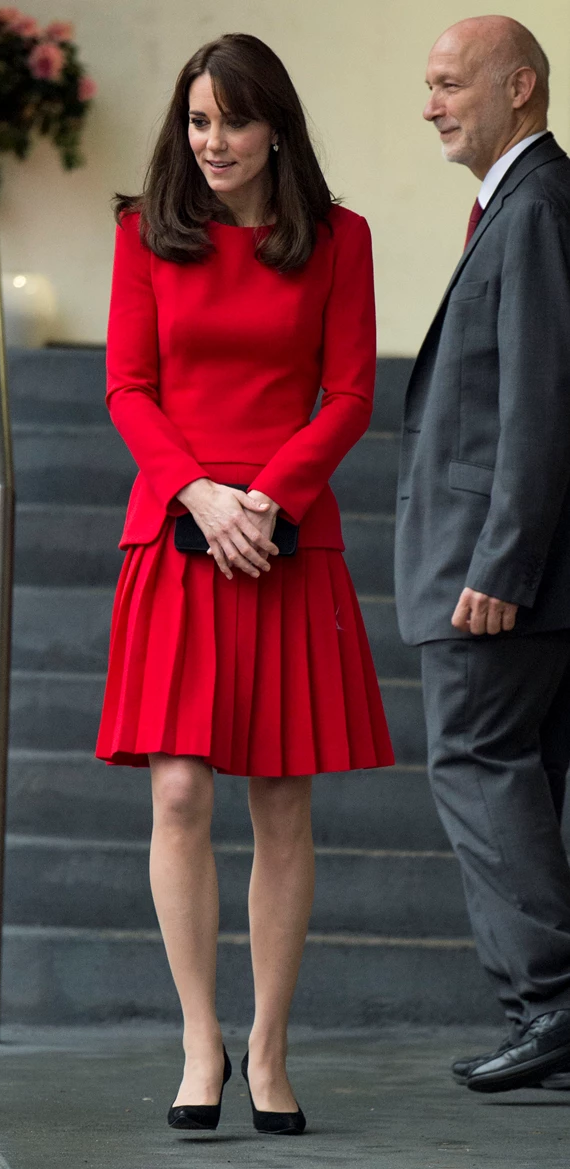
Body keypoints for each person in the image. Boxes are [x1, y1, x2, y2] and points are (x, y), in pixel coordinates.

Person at [96, 32, 393, 1135]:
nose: (211, 141)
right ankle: (197, 1040)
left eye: (232, 120)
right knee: (177, 788)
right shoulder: (142, 234)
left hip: (286, 537)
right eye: (196, 120)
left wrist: (264, 498)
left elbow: (349, 393)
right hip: (176, 536)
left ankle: (266, 1045)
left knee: (280, 798)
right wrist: (201, 496)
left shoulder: (339, 241)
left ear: (277, 127)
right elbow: (128, 387)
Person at [395, 14, 570, 1094]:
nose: (430, 104)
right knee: (523, 771)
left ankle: (548, 1004)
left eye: (449, 83)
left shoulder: (536, 206)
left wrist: (499, 564)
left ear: (519, 87)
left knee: (475, 762)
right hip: (511, 572)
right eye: (427, 84)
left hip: (494, 580)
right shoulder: (522, 203)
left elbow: (539, 404)